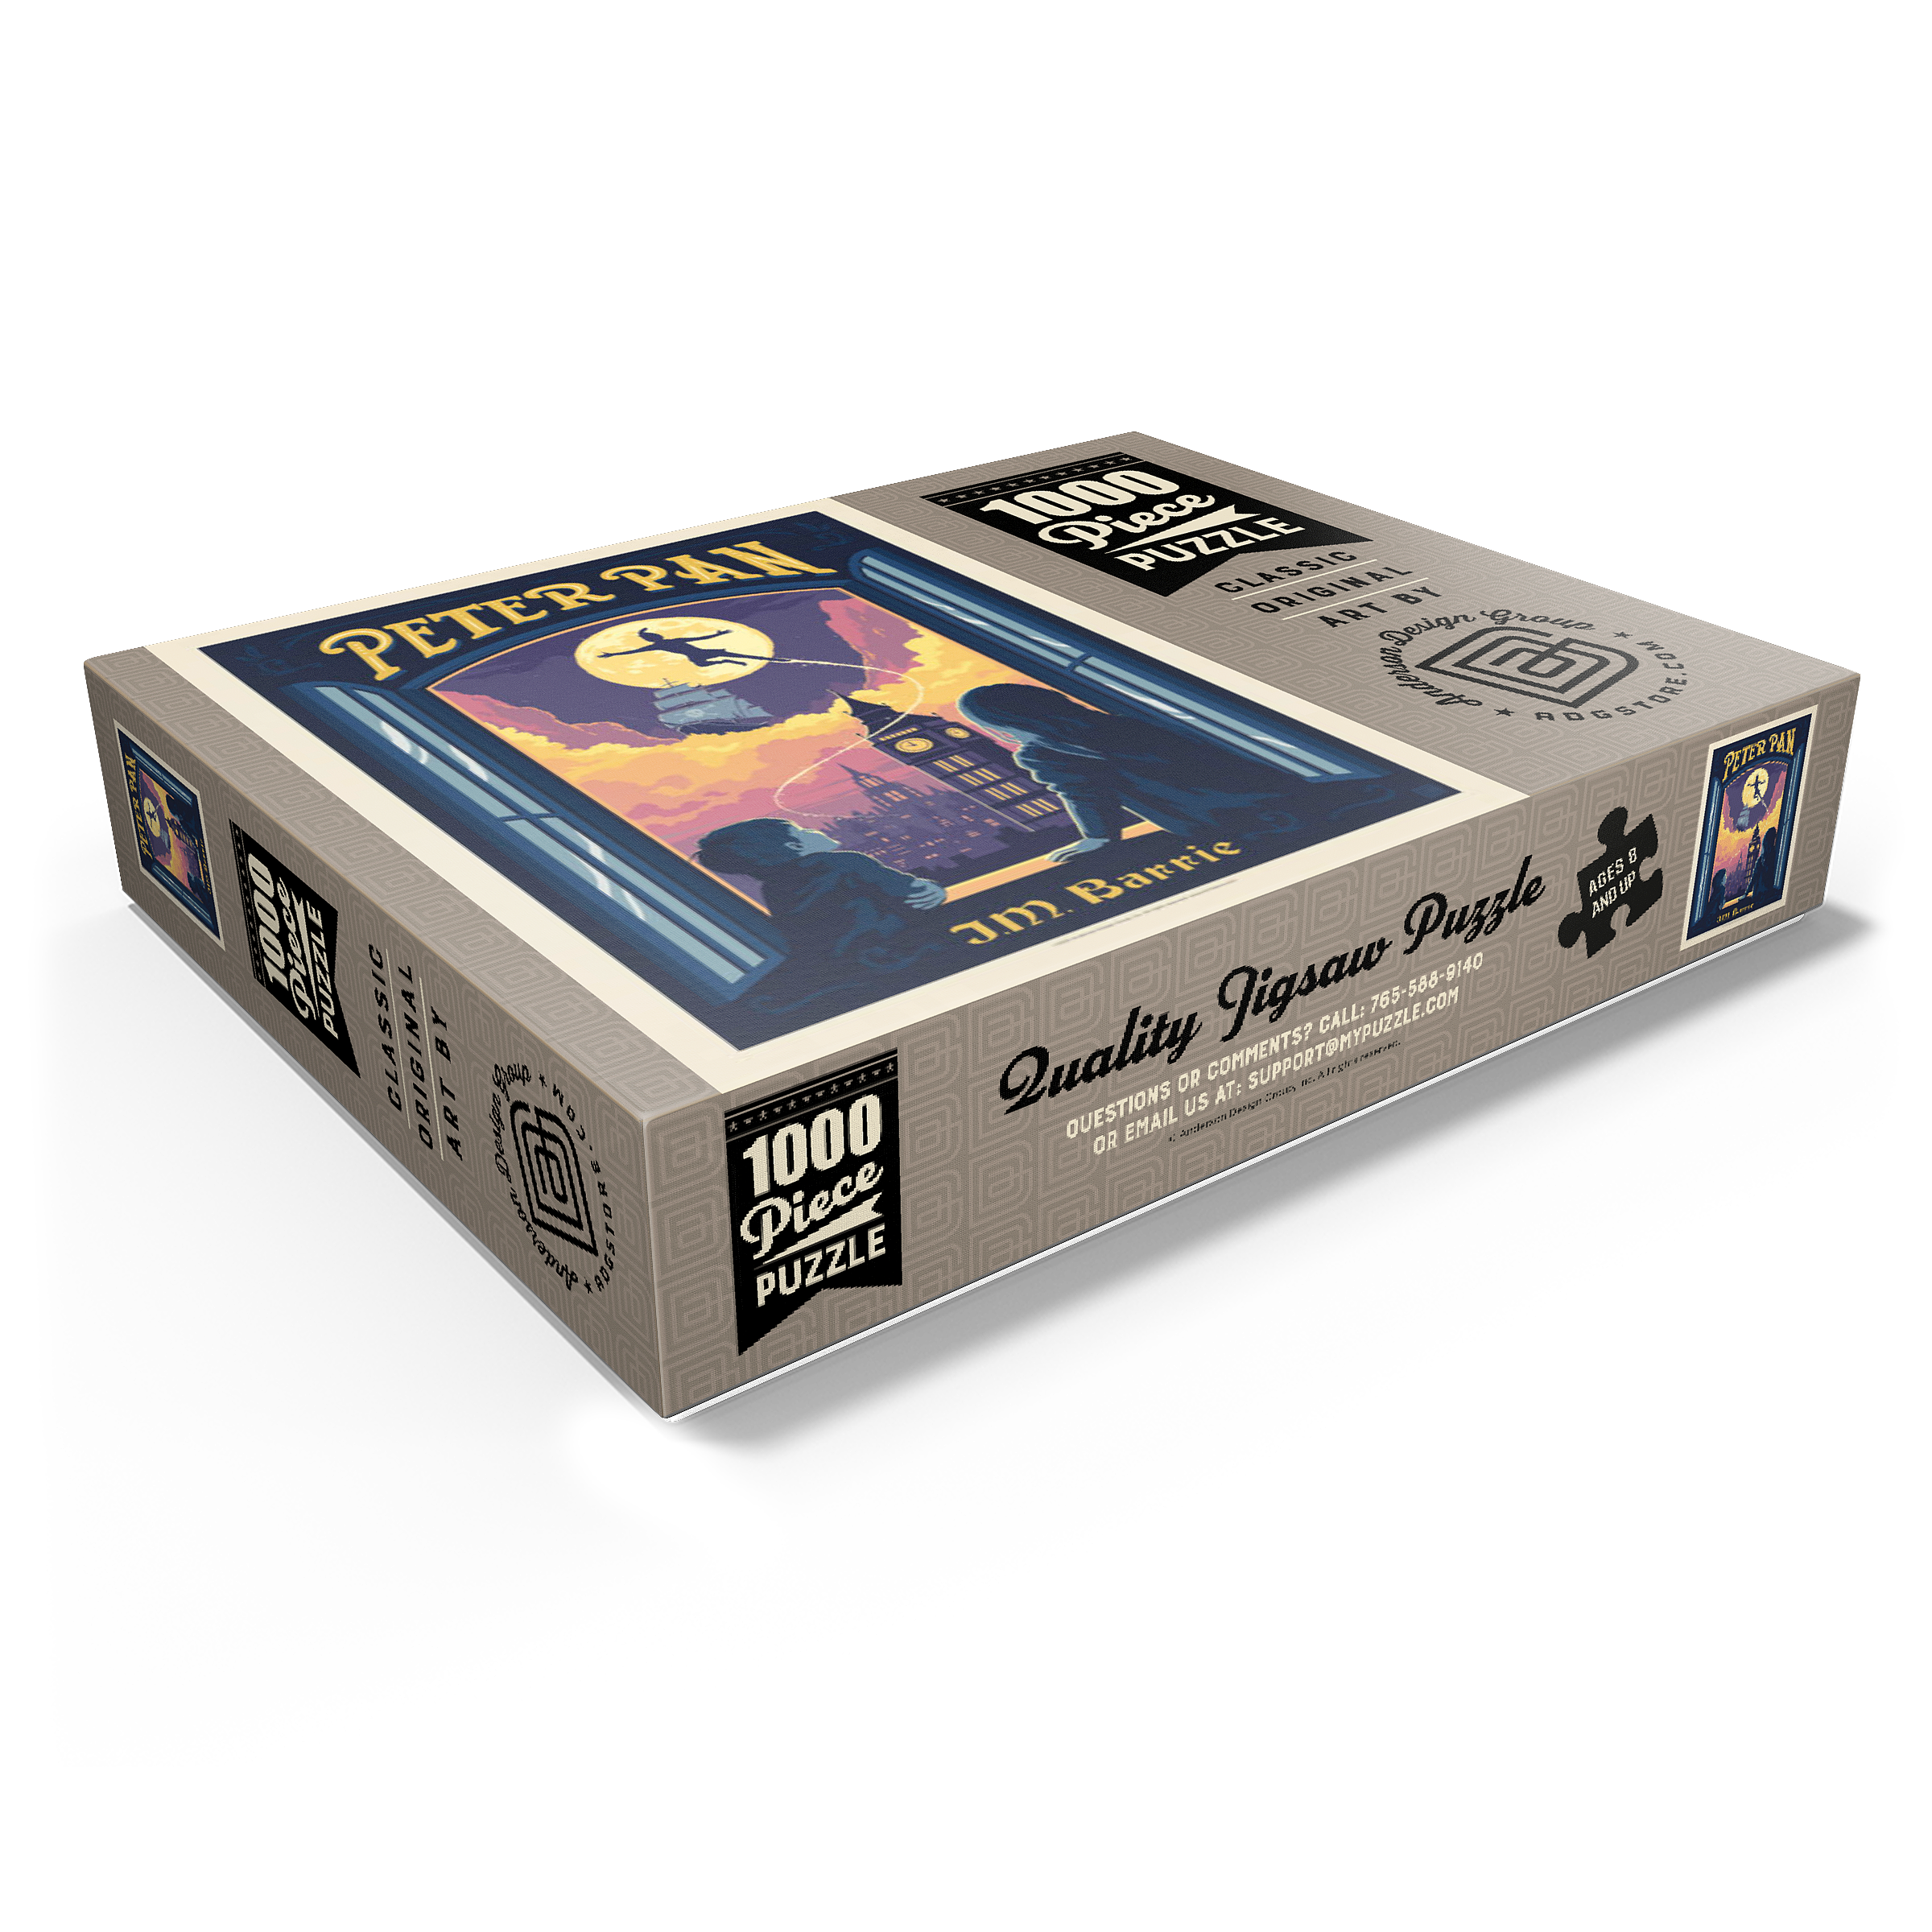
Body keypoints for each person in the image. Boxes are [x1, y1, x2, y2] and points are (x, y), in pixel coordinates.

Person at [954, 683, 1393, 861]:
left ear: (1002, 726)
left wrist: (1099, 838)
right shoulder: (1116, 718)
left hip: (1207, 819)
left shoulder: (1044, 754)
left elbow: (1084, 795)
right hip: (1263, 788)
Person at [695, 818, 947, 969]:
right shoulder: (845, 862)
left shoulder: (772, 889)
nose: (811, 830)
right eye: (801, 830)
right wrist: (934, 888)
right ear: (795, 846)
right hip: (893, 945)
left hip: (847, 959)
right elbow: (909, 891)